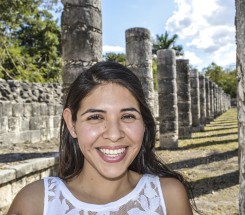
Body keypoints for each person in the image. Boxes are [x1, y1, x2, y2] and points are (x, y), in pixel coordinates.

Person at [8, 61, 194, 215]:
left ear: (144, 123)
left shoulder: (169, 198)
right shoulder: (34, 204)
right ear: (71, 124)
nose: (114, 135)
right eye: (95, 117)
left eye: (128, 116)